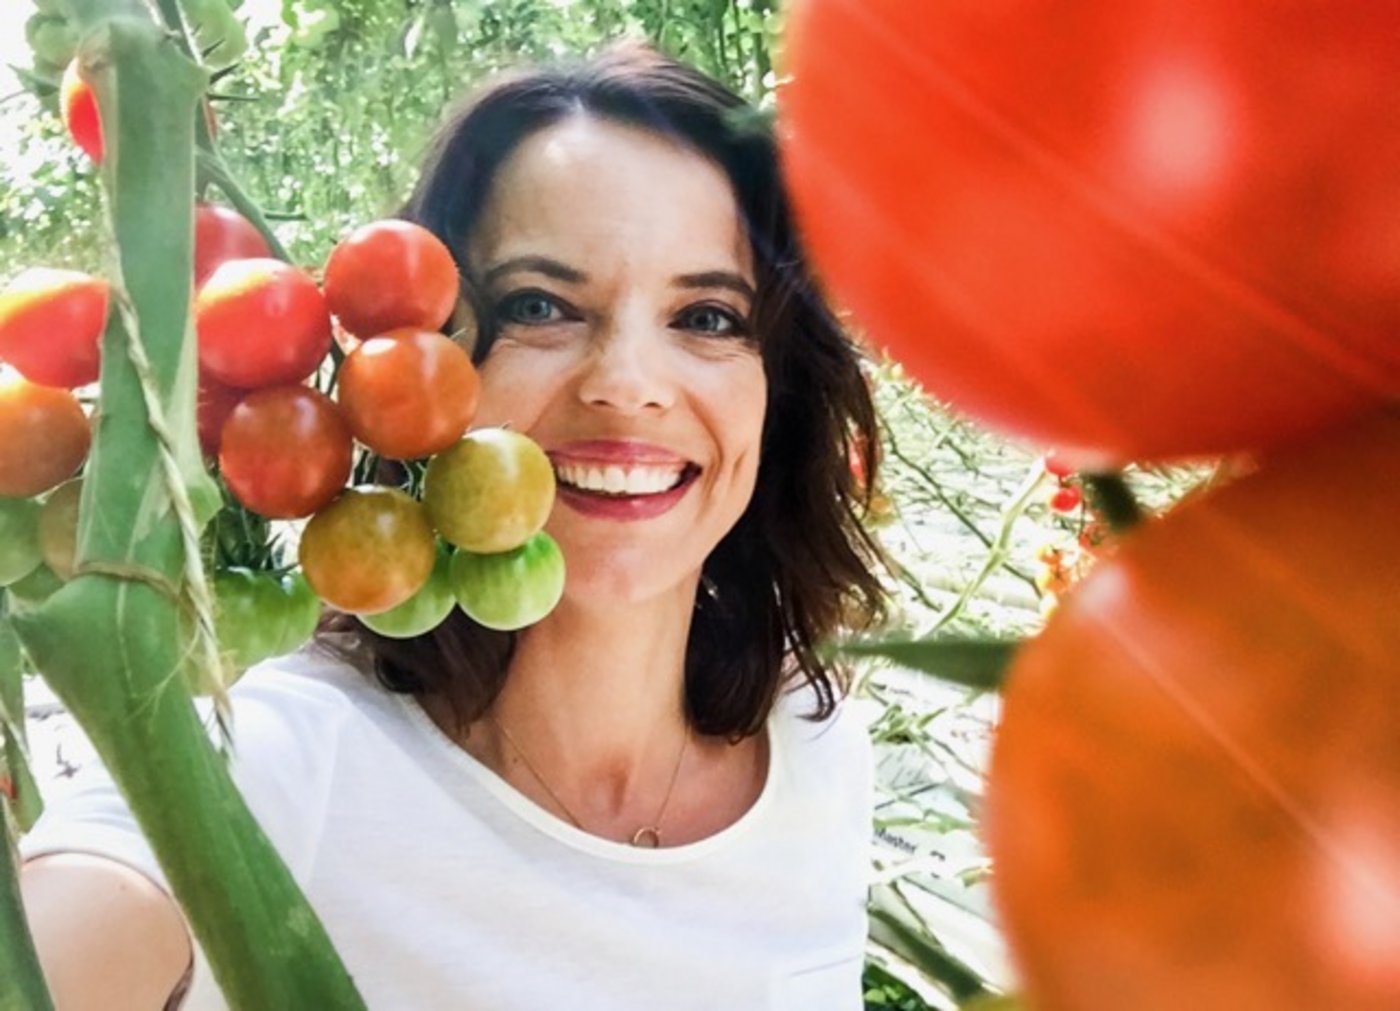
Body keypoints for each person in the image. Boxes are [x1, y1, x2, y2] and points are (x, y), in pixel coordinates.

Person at [18, 41, 886, 1010]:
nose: (627, 384)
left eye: (710, 317)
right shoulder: (279, 764)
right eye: (539, 306)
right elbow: (79, 912)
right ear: (419, 364)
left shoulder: (815, 750)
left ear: (778, 391)